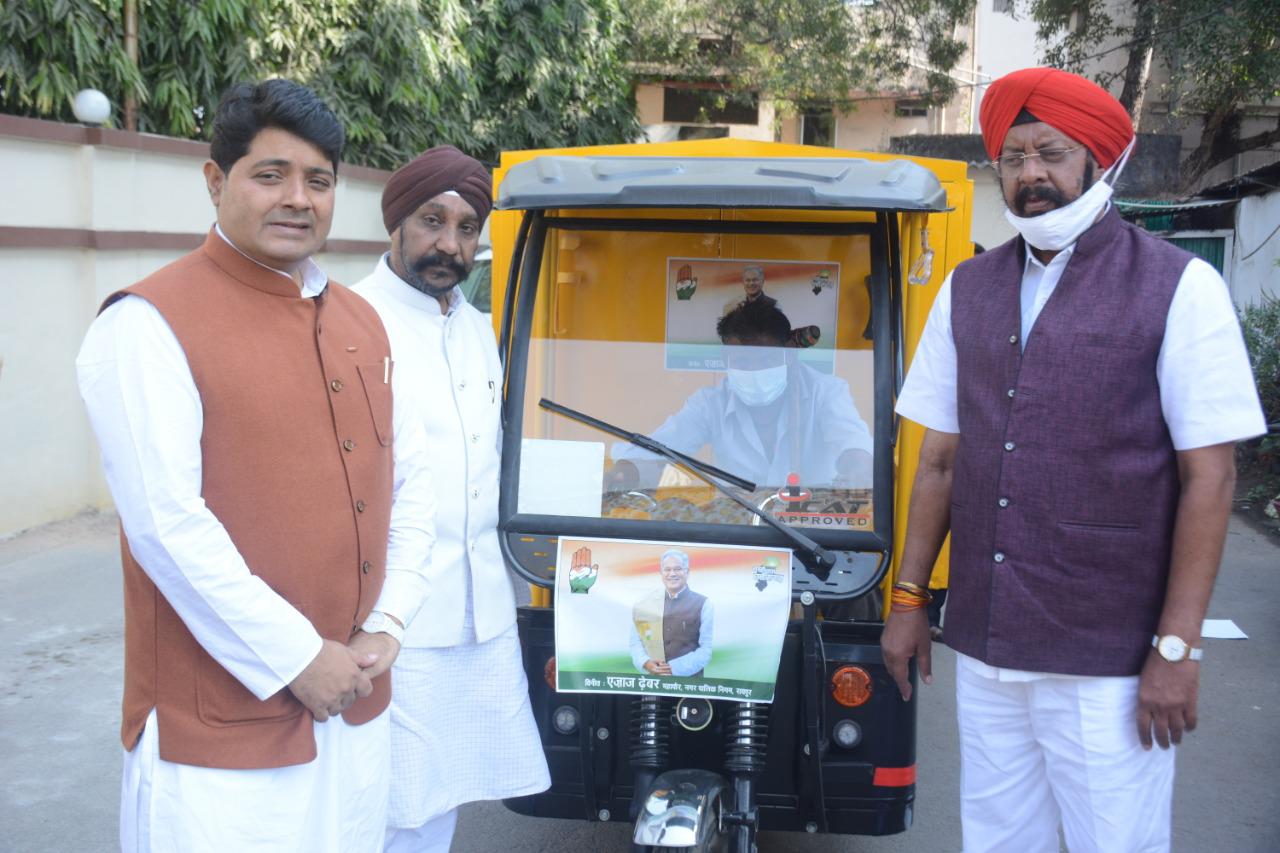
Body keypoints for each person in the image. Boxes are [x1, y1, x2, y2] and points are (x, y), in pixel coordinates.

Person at [881, 67, 1266, 853]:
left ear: (1098, 160)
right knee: (997, 840)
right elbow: (941, 461)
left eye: (1050, 153)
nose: (1030, 175)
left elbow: (1211, 475)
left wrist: (1177, 648)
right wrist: (909, 598)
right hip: (988, 647)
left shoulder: (1179, 287)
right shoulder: (967, 289)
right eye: (1013, 157)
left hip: (1111, 656)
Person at [76, 79, 437, 851]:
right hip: (221, 738)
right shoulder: (146, 325)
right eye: (269, 174)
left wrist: (391, 619)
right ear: (216, 181)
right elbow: (166, 526)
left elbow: (409, 482)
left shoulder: (360, 320)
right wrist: (297, 656)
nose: (297, 198)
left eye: (319, 179)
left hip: (355, 707)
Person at [350, 145, 549, 853]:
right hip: (392, 617)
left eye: (468, 228)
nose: (450, 244)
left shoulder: (473, 327)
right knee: (386, 801)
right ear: (396, 222)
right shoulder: (350, 319)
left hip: (479, 608)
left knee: (445, 794)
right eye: (432, 221)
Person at [612, 299, 873, 489]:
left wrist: (858, 471)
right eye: (741, 361)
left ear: (788, 355)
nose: (752, 369)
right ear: (726, 358)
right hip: (738, 536)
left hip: (815, 535)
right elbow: (657, 451)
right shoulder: (709, 404)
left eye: (763, 359)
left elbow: (854, 446)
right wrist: (623, 474)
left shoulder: (825, 392)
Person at [629, 549, 714, 677]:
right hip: (654, 682)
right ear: (661, 573)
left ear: (687, 572)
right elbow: (636, 641)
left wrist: (672, 668)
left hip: (690, 684)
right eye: (667, 570)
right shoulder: (646, 604)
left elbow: (706, 650)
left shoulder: (703, 604)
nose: (672, 574)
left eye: (678, 569)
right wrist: (646, 663)